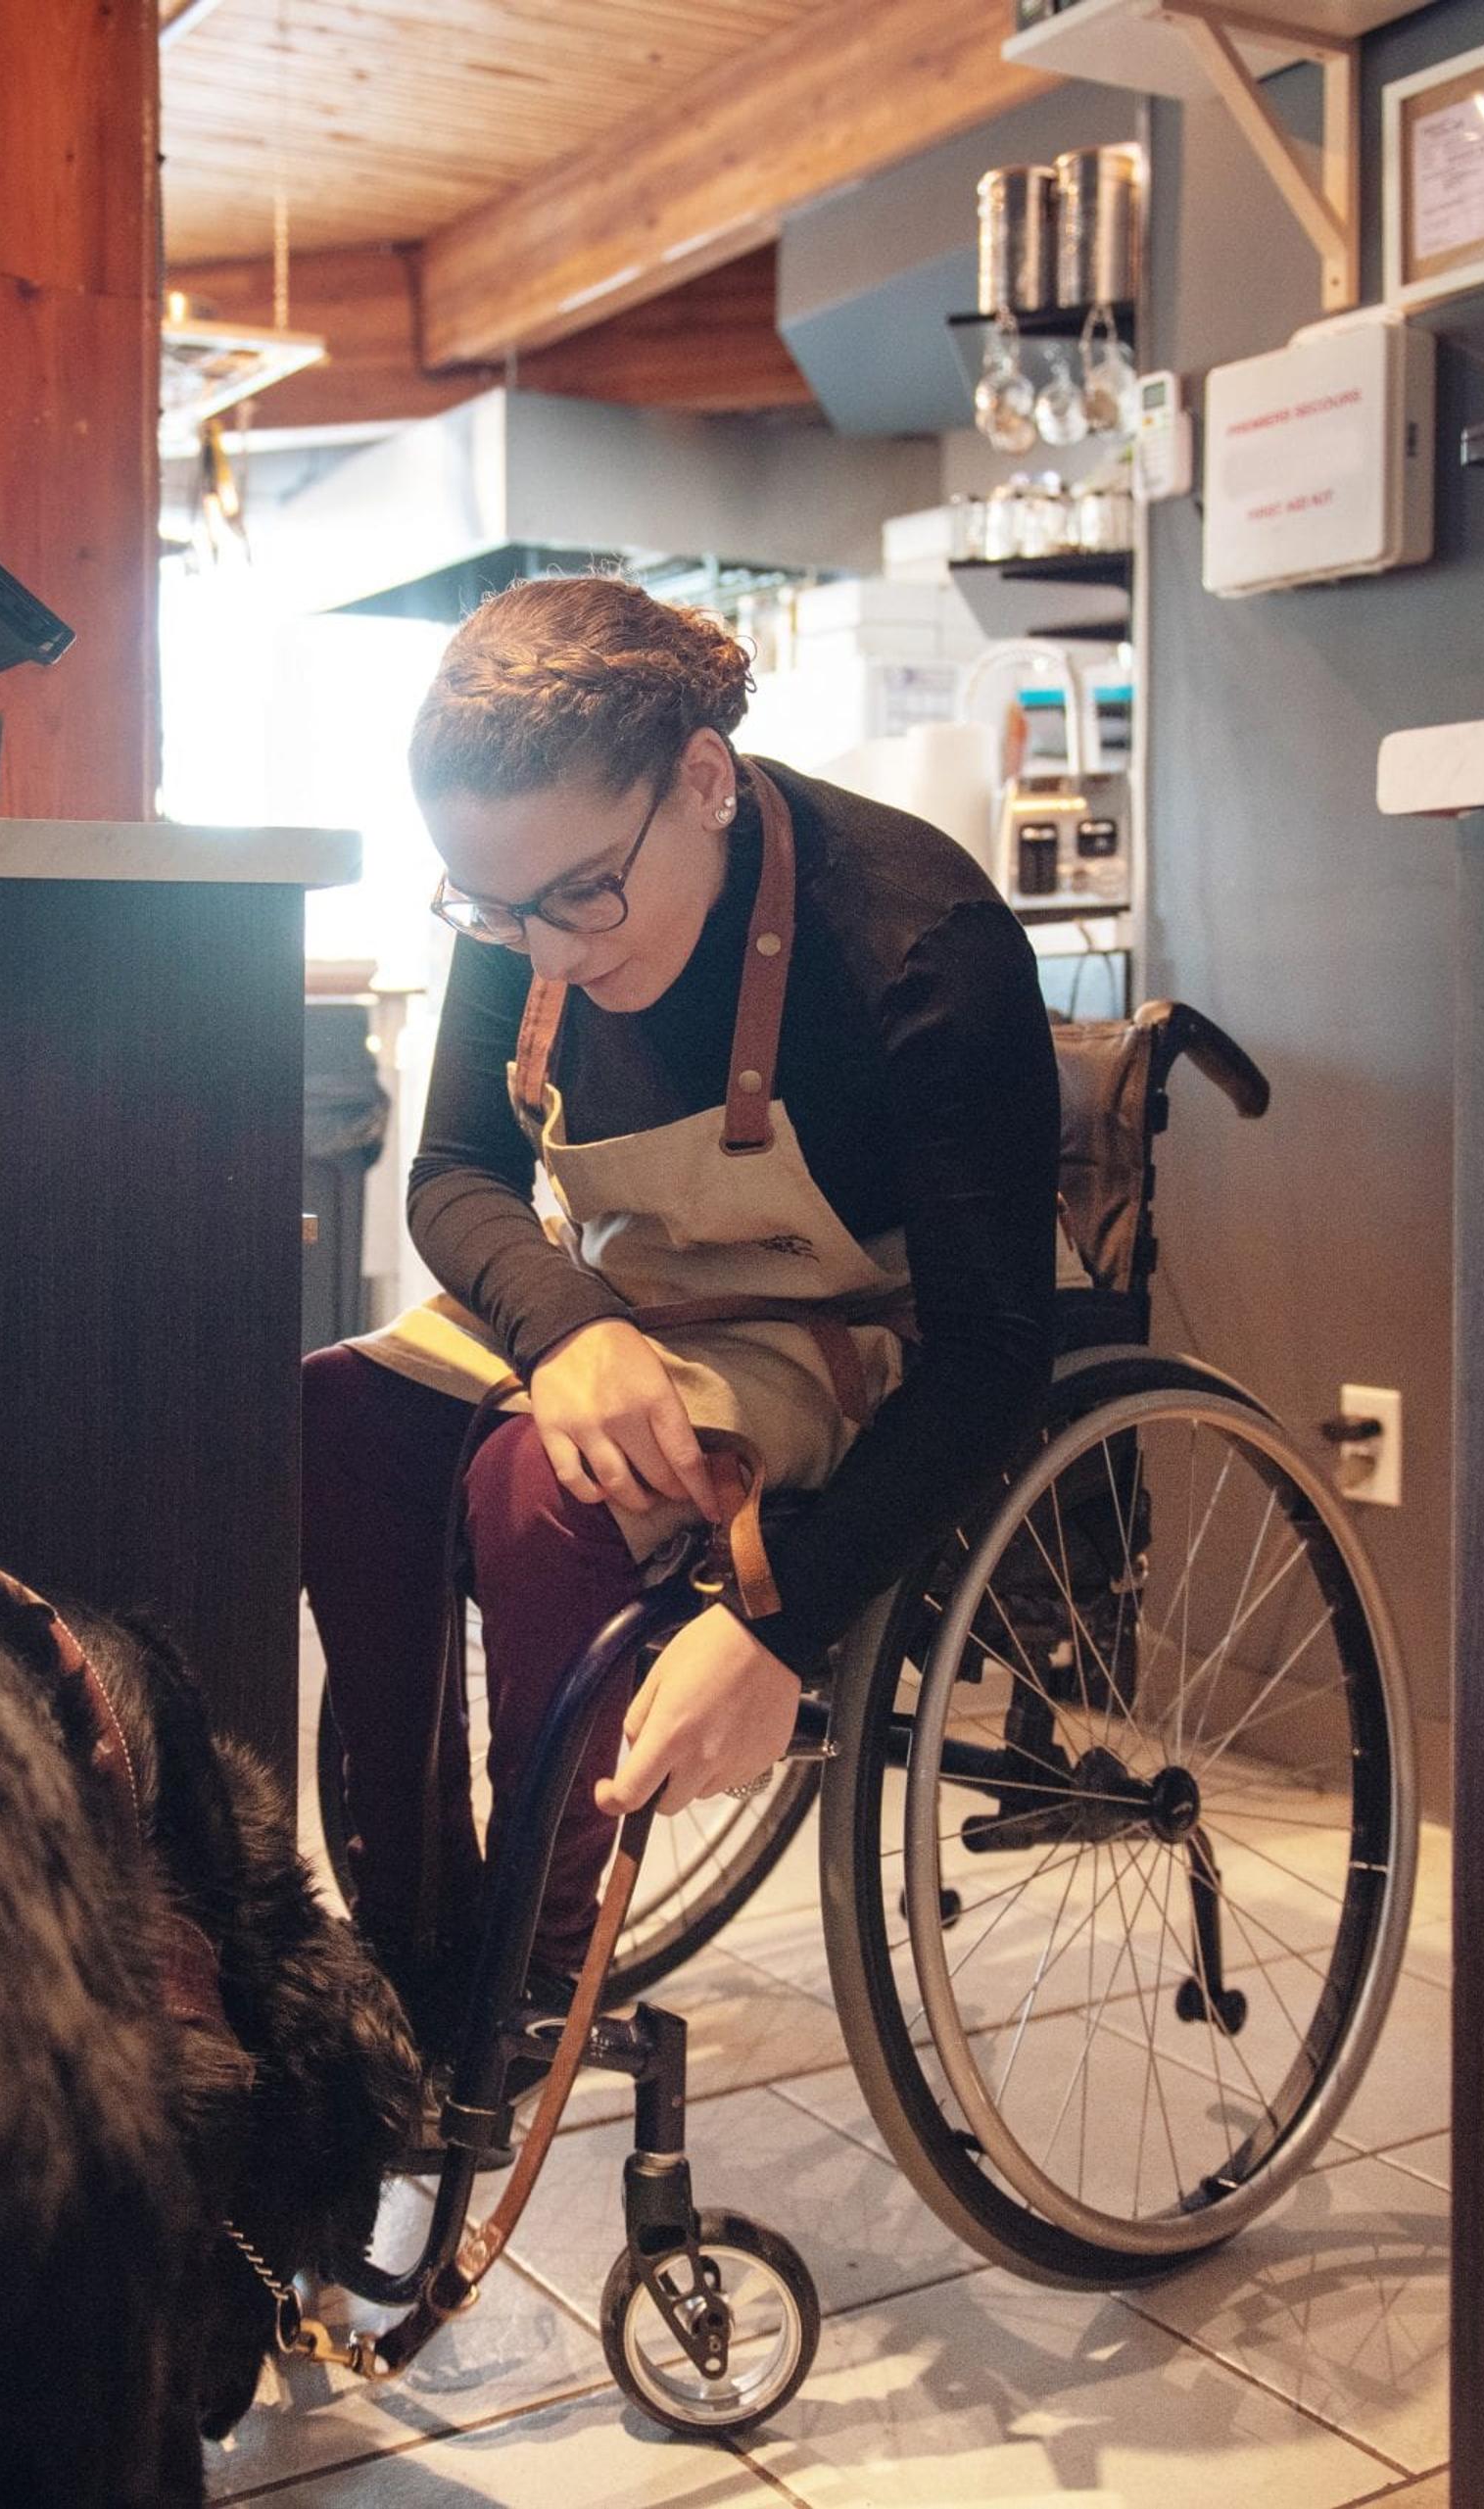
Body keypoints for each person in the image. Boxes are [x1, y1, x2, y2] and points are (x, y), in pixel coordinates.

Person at [303, 575, 1062, 2026]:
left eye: (587, 896)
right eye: (497, 908)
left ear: (703, 780)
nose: (554, 956)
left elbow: (993, 1352)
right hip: (622, 1295)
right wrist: (569, 1322)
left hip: (840, 1333)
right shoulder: (533, 901)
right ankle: (412, 1943)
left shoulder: (920, 943)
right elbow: (455, 1172)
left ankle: (532, 1964)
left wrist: (778, 1627)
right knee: (339, 1414)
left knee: (545, 1491)